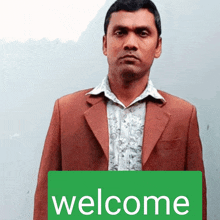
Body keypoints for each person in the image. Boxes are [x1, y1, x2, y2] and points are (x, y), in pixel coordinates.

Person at [34, 0, 207, 219]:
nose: (130, 43)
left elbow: (194, 204)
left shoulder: (184, 115)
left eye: (142, 33)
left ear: (158, 46)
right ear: (105, 44)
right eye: (120, 32)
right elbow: (45, 199)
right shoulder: (66, 111)